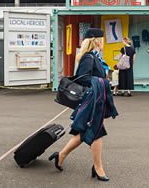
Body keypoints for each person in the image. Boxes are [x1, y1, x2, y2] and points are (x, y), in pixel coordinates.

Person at [49, 28, 118, 182]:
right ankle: (98, 167)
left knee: (84, 133)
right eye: (102, 39)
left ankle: (60, 156)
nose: (103, 42)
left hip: (96, 100)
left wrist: (104, 81)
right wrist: (103, 82)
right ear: (96, 41)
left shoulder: (96, 57)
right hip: (92, 102)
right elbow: (83, 79)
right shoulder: (88, 57)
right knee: (96, 132)